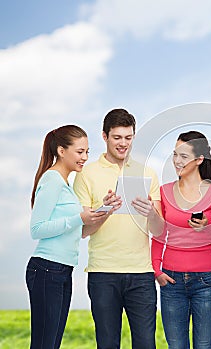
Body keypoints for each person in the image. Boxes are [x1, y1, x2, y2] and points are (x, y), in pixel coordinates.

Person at [73, 109, 161, 349]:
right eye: (117, 137)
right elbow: (82, 231)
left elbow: (159, 230)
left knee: (145, 344)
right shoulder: (87, 174)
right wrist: (105, 210)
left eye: (128, 137)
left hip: (141, 274)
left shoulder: (148, 173)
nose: (123, 143)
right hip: (103, 273)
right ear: (105, 136)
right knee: (107, 343)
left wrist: (151, 212)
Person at [132, 131, 211, 349]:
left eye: (183, 156)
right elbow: (158, 234)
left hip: (208, 282)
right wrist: (157, 270)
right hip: (172, 282)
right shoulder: (164, 192)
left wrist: (207, 227)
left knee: (204, 346)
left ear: (199, 159)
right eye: (175, 154)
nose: (177, 161)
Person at [26, 125, 109, 349]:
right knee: (44, 344)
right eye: (80, 152)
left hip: (61, 270)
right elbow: (37, 229)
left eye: (87, 152)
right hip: (46, 269)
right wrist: (78, 218)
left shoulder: (66, 185)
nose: (85, 157)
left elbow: (78, 231)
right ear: (62, 151)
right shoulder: (52, 179)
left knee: (52, 343)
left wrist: (105, 211)